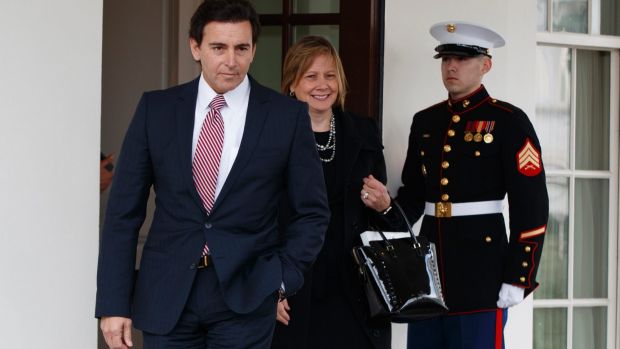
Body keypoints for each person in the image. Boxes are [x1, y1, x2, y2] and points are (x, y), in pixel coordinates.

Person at [95, 1, 330, 348]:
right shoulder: (155, 110)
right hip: (166, 294)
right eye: (218, 47)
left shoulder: (287, 117)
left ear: (253, 51)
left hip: (247, 295)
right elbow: (122, 214)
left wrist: (281, 278)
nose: (231, 60)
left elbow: (312, 212)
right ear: (196, 47)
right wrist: (113, 304)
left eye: (241, 48)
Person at [362, 21, 549, 348]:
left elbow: (531, 206)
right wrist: (387, 207)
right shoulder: (426, 121)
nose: (451, 66)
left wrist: (519, 276)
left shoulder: (509, 121)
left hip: (482, 275)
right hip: (429, 276)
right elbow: (415, 196)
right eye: (446, 58)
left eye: (462, 58)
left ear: (485, 65)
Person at [271, 36, 391, 349]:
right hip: (295, 288)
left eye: (330, 75)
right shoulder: (271, 136)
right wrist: (269, 287)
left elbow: (383, 221)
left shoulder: (363, 131)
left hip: (355, 290)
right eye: (311, 76)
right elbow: (255, 221)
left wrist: (385, 206)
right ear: (292, 84)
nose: (322, 85)